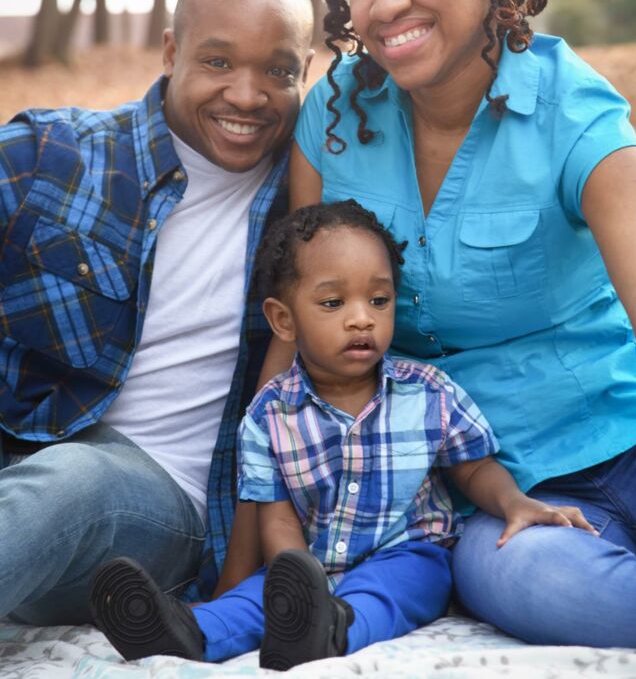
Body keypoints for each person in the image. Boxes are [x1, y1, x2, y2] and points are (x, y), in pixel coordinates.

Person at [277, 0, 636, 649]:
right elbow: (296, 326)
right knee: (523, 579)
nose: (385, 3)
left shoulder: (576, 115)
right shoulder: (332, 117)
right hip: (496, 493)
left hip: (625, 435)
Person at [89, 200, 594, 668]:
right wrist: (291, 577)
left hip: (409, 553)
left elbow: (475, 468)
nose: (361, 319)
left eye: (379, 300)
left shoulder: (428, 392)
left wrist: (513, 503)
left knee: (386, 592)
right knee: (257, 597)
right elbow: (275, 515)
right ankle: (187, 631)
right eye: (333, 303)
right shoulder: (269, 414)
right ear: (283, 320)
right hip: (311, 564)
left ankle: (333, 630)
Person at [0, 0, 314, 625]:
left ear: (305, 74)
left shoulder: (308, 210)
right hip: (19, 456)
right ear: (172, 53)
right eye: (219, 61)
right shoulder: (49, 158)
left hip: (157, 508)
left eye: (278, 71)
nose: (247, 96)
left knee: (74, 482)